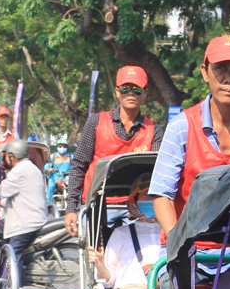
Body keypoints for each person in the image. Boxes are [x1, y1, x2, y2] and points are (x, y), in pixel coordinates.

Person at [149, 35, 230, 237]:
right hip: (190, 246)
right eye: (220, 68)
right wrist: (178, 244)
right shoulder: (181, 126)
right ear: (205, 72)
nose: (229, 78)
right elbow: (161, 194)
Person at [64, 66, 164, 237]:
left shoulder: (154, 130)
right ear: (117, 92)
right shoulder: (96, 122)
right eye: (125, 88)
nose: (131, 93)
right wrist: (71, 208)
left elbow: (159, 174)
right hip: (98, 204)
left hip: (136, 208)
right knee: (96, 256)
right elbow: (79, 165)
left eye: (137, 89)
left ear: (145, 92)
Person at [0, 139, 48, 289]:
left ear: (12, 156)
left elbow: (0, 192)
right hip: (35, 216)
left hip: (26, 221)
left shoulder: (18, 171)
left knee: (14, 251)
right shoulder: (32, 168)